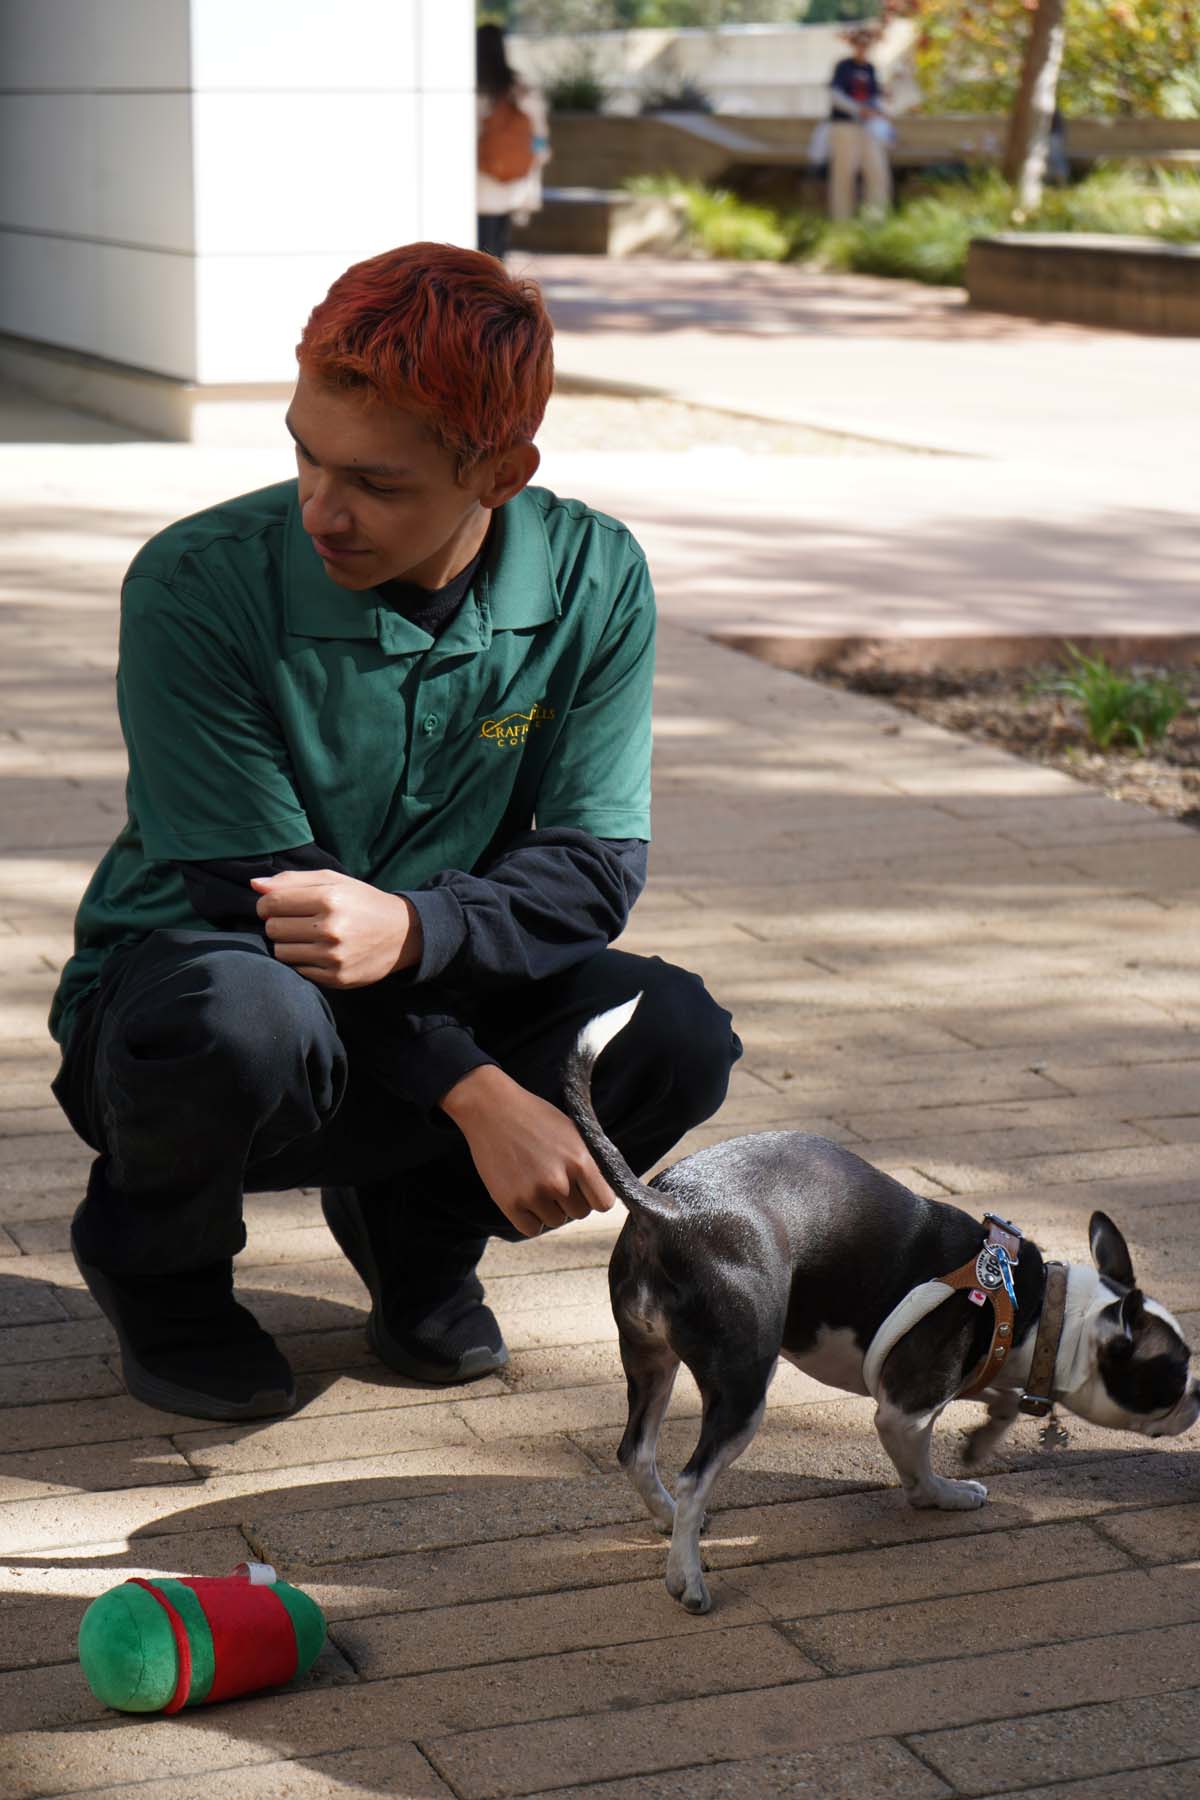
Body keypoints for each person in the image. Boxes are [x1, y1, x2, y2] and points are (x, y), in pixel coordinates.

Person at [48, 244, 740, 1424]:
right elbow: (252, 901)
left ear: (501, 471)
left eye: (375, 481)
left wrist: (419, 924)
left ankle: (415, 1238)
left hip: (427, 981)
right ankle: (160, 1277)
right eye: (304, 452)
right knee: (240, 1016)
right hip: (193, 1003)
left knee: (672, 1034)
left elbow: (591, 870)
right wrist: (474, 1090)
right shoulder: (195, 583)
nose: (323, 506)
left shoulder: (595, 577)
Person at [476, 22, 550, 261]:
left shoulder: (470, 86)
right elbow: (539, 138)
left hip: (478, 178)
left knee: (476, 250)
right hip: (509, 180)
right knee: (497, 248)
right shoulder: (519, 87)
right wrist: (536, 158)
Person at [827, 28, 893, 222]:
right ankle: (842, 222)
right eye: (860, 44)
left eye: (867, 44)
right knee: (844, 174)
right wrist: (858, 109)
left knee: (877, 173)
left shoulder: (871, 69)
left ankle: (875, 220)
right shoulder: (843, 67)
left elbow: (875, 97)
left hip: (869, 128)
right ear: (854, 45)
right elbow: (835, 95)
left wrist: (881, 105)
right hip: (845, 127)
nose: (863, 48)